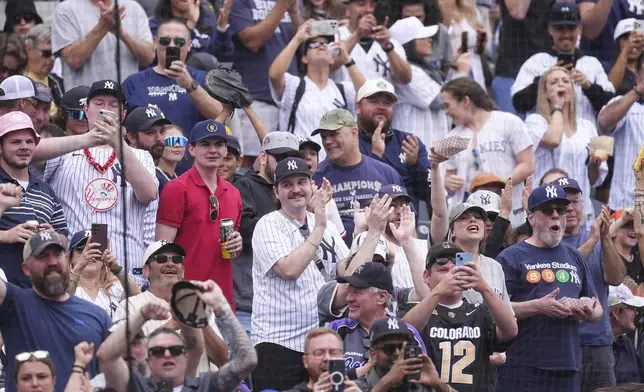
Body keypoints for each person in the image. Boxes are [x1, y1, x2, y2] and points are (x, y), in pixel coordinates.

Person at [41, 79, 158, 288]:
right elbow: (29, 152)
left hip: (126, 273)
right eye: (99, 103)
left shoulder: (141, 156)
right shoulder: (64, 152)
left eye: (114, 105)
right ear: (86, 109)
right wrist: (89, 138)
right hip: (76, 275)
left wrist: (116, 143)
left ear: (123, 115)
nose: (106, 110)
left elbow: (148, 193)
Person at [251, 157, 348, 391]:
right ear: (276, 192)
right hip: (277, 345)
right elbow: (289, 269)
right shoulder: (269, 224)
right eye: (287, 185)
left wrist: (373, 232)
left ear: (311, 186)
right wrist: (320, 229)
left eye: (301, 182)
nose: (296, 190)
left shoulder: (322, 222)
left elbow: (347, 272)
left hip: (317, 345)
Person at [496, 183, 603, 392]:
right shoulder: (511, 256)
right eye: (547, 210)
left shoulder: (574, 256)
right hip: (523, 365)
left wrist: (589, 311)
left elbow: (597, 306)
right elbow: (494, 310)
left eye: (560, 210)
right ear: (531, 217)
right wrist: (537, 306)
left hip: (568, 365)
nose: (556, 215)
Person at [0, 232, 111, 392]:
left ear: (66, 259)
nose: (52, 261)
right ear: (26, 268)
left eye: (57, 254)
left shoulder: (96, 314)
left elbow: (115, 368)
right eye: (42, 256)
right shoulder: (14, 303)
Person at [98, 281, 258, 391]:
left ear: (185, 356)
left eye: (175, 350)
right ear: (148, 360)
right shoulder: (138, 387)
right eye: (158, 351)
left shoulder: (204, 386)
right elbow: (106, 356)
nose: (167, 354)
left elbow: (247, 359)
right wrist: (142, 314)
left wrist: (221, 305)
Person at [403, 241, 518, 392]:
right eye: (443, 270)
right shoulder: (415, 310)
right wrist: (438, 291)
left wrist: (483, 287)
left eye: (456, 270)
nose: (451, 275)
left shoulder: (480, 312)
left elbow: (511, 330)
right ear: (426, 276)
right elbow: (404, 333)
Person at [156, 119, 243, 308]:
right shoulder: (176, 189)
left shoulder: (234, 193)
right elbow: (163, 250)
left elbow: (228, 250)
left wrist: (237, 244)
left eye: (219, 144)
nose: (213, 150)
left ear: (226, 150)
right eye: (205, 144)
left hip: (222, 300)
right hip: (185, 299)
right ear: (192, 149)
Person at [123, 19, 223, 174]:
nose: (171, 45)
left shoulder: (204, 79)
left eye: (179, 41)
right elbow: (124, 128)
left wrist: (189, 84)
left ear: (189, 45)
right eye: (165, 40)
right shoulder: (134, 82)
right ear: (155, 42)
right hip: (146, 169)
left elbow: (219, 114)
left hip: (193, 170)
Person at [113, 240, 229, 373]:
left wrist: (200, 321)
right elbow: (120, 361)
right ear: (146, 270)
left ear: (183, 270)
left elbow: (223, 360)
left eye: (176, 259)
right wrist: (168, 328)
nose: (170, 264)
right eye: (161, 259)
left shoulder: (199, 305)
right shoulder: (129, 306)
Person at [441, 77, 534, 228]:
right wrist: (448, 182)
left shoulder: (509, 121)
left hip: (509, 213)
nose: (446, 112)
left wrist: (499, 184)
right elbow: (447, 177)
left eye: (448, 105)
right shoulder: (450, 138)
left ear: (465, 101)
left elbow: (528, 164)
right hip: (470, 219)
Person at [232, 131, 300, 331]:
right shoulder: (244, 185)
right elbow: (245, 230)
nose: (286, 164)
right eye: (280, 158)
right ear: (263, 157)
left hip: (287, 300)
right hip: (250, 299)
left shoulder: (297, 192)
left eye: (291, 158)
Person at [269, 20, 364, 157]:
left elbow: (367, 95)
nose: (321, 46)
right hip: (300, 164)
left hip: (336, 164)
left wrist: (347, 60)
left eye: (326, 44)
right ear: (304, 58)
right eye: (313, 44)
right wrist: (297, 39)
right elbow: (274, 74)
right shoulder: (294, 85)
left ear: (333, 58)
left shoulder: (343, 89)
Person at [525, 66, 607, 223]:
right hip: (549, 208)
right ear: (545, 92)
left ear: (573, 89)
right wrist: (557, 106)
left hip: (580, 211)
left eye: (565, 81)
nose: (560, 84)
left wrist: (594, 164)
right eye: (554, 82)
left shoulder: (588, 126)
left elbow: (595, 180)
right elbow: (553, 140)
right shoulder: (534, 121)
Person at [511, 3, 614, 125]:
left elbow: (610, 106)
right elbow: (518, 103)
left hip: (584, 138)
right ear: (550, 29)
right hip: (546, 138)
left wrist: (589, 87)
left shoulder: (591, 63)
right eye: (560, 28)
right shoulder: (537, 62)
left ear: (580, 28)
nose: (566, 34)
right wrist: (544, 80)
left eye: (571, 28)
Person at [312, 108, 404, 243]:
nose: (327, 141)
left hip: (381, 257)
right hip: (336, 259)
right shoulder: (316, 179)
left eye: (333, 134)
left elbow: (407, 221)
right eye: (324, 136)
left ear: (354, 133)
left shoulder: (386, 173)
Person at [0, 111, 68, 287]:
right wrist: (6, 235)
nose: (24, 147)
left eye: (29, 142)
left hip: (39, 293)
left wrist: (54, 236)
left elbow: (65, 239)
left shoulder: (45, 190)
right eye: (15, 142)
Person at [229, 0, 302, 164]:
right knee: (253, 162)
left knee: (292, 161)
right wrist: (282, 6)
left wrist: (295, 12)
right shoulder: (241, 2)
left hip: (290, 99)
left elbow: (301, 42)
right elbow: (252, 42)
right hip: (256, 98)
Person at [328, 262, 428, 379]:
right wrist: (365, 370)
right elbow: (325, 382)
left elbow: (420, 381)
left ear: (381, 297)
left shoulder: (406, 333)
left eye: (356, 292)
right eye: (349, 291)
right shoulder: (337, 330)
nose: (348, 298)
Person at [356, 78, 431, 211]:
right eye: (373, 101)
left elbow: (428, 193)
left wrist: (414, 166)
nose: (381, 107)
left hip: (405, 222)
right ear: (358, 107)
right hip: (366, 222)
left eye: (387, 103)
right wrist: (375, 156)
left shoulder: (409, 142)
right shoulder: (349, 143)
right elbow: (355, 192)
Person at [51, 0, 155, 89]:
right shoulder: (65, 10)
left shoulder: (133, 7)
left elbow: (149, 57)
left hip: (126, 102)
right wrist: (102, 27)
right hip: (84, 103)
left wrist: (121, 33)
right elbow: (73, 59)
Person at [388, 16, 455, 146]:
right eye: (423, 37)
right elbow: (440, 101)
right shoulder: (410, 72)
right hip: (416, 144)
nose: (429, 40)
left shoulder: (425, 68)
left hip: (431, 141)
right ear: (408, 43)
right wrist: (460, 73)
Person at [354, 317, 454, 392]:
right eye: (390, 349)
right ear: (373, 355)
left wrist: (439, 384)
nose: (398, 353)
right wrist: (386, 383)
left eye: (403, 348)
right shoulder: (356, 387)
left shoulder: (419, 387)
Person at [598, 54, 644, 210]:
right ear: (637, 77)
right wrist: (638, 91)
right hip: (624, 208)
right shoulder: (627, 105)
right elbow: (604, 121)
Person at [335, 0, 412, 85]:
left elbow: (406, 79)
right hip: (347, 97)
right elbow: (328, 67)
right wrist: (358, 34)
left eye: (373, 5)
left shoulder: (390, 42)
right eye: (361, 4)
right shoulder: (335, 36)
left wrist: (388, 47)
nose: (368, 10)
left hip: (382, 97)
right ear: (347, 10)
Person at [66, 229, 140, 318]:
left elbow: (138, 299)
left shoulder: (115, 287)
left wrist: (117, 268)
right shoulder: (62, 286)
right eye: (82, 249)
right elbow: (62, 302)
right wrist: (79, 266)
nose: (89, 254)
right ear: (70, 257)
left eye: (96, 250)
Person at [282, 328, 366, 392]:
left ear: (343, 358)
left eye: (334, 352)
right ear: (305, 361)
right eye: (319, 353)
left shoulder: (357, 389)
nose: (327, 358)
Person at [149, 0, 235, 61]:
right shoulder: (157, 25)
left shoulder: (207, 24)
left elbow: (224, 58)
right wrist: (190, 26)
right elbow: (169, 60)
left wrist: (222, 29)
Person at [23, 24, 64, 117]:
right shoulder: (16, 82)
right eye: (47, 53)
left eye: (55, 54)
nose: (52, 58)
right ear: (29, 49)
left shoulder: (59, 82)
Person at [608, 284, 644, 385]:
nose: (636, 313)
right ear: (616, 312)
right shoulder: (594, 346)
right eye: (632, 308)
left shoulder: (626, 343)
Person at [609, 19, 644, 96]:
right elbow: (610, 88)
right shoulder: (606, 66)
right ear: (617, 41)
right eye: (626, 38)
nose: (632, 42)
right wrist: (626, 49)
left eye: (638, 39)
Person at [156, 124, 187, 194]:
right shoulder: (154, 179)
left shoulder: (178, 178)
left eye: (181, 141)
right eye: (171, 141)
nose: (177, 145)